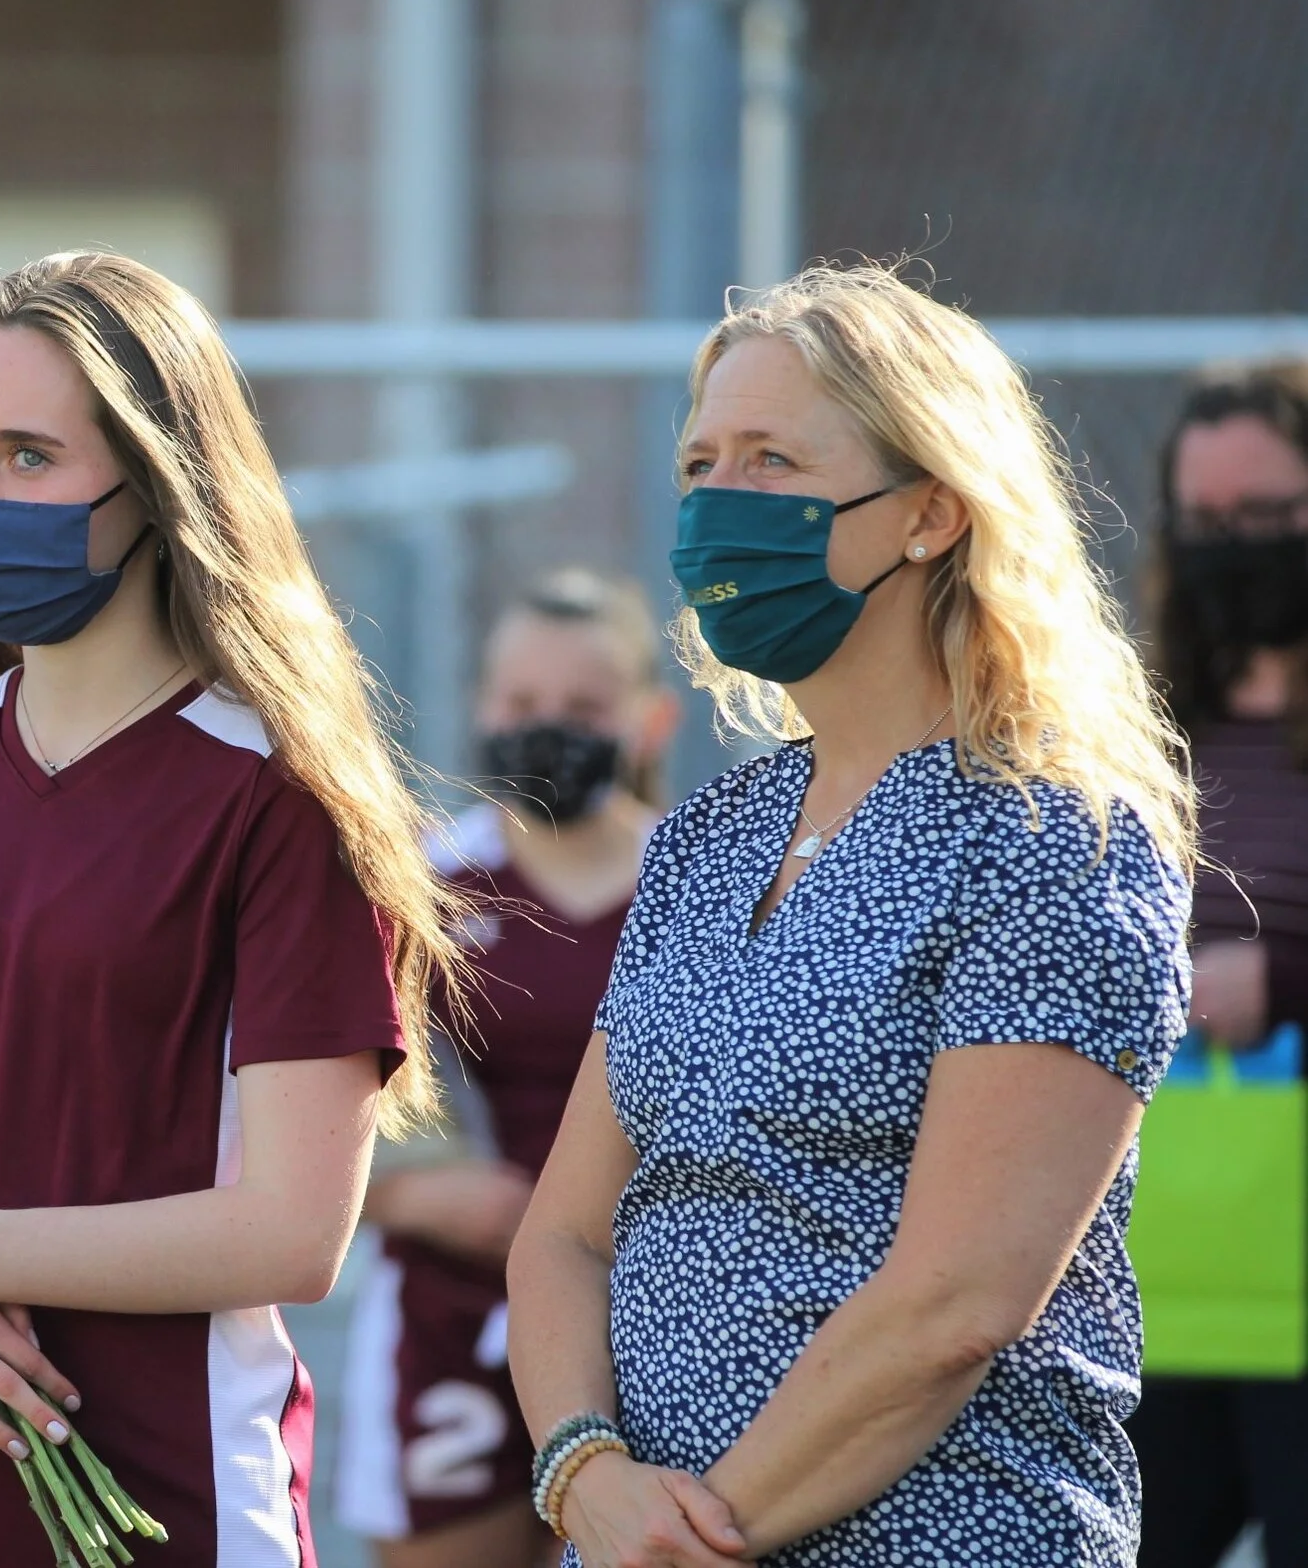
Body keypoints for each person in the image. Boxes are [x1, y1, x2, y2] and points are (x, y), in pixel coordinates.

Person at [0, 250, 463, 1568]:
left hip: (166, 1507)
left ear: (158, 483)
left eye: (31, 456)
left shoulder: (280, 800)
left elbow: (294, 1231)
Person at [507, 262, 1195, 1568]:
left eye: (771, 459)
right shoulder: (709, 837)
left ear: (931, 511)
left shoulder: (1052, 835)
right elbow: (562, 1235)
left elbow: (956, 1302)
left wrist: (685, 1541)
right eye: (701, 463)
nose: (719, 503)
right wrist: (581, 1473)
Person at [338, 568, 677, 1568]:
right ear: (481, 705)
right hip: (452, 1312)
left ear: (647, 720)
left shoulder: (702, 881)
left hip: (650, 1309)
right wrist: (412, 1196)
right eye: (520, 702)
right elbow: (312, 1110)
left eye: (582, 707)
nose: (545, 727)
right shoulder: (423, 887)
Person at [1124, 362, 1308, 1568]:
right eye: (1201, 521)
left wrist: (1281, 983)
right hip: (1155, 1250)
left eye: (1262, 519)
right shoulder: (1133, 714)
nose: (1226, 547)